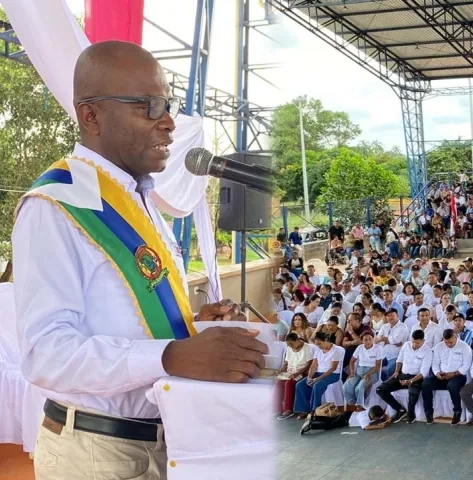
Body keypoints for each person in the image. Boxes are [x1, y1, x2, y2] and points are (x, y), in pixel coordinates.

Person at [13, 41, 269, 479]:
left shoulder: (142, 199)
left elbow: (124, 317)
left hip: (163, 441)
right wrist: (170, 355)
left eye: (167, 105)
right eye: (148, 107)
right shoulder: (54, 205)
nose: (168, 124)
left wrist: (191, 325)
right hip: (97, 453)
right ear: (91, 115)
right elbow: (46, 353)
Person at [375, 329, 432, 424]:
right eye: (413, 342)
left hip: (416, 377)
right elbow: (399, 359)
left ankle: (411, 413)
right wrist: (397, 371)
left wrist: (411, 381)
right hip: (403, 375)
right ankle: (400, 410)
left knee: (413, 393)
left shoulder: (428, 351)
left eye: (417, 343)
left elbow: (424, 372)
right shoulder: (406, 345)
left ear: (423, 341)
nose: (414, 345)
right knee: (380, 389)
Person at [422, 329, 472, 424]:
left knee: (452, 385)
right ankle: (428, 412)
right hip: (442, 376)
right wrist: (437, 373)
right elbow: (435, 363)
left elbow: (466, 365)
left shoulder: (465, 347)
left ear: (456, 337)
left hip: (458, 376)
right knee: (425, 384)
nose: (448, 344)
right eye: (446, 342)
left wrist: (454, 373)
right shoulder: (439, 347)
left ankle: (457, 412)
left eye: (450, 342)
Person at [294, 332, 342, 418]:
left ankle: (314, 411)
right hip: (318, 373)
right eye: (316, 344)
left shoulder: (336, 350)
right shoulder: (318, 350)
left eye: (320, 343)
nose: (318, 346)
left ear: (326, 340)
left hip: (332, 374)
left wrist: (317, 379)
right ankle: (304, 410)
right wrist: (309, 377)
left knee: (317, 385)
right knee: (300, 385)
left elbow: (332, 368)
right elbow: (313, 365)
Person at [275, 333, 314, 419]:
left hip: (302, 372)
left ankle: (288, 410)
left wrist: (297, 373)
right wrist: (280, 370)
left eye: (292, 344)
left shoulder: (307, 348)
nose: (290, 346)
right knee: (278, 383)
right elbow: (286, 362)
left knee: (289, 384)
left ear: (297, 340)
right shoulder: (289, 348)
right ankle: (278, 409)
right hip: (290, 372)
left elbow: (308, 364)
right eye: (289, 344)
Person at [342, 331, 383, 412]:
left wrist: (368, 374)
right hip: (359, 371)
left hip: (372, 372)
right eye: (365, 340)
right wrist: (352, 372)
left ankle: (360, 405)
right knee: (347, 385)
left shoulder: (378, 349)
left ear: (373, 339)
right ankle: (352, 403)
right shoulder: (360, 347)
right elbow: (352, 361)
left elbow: (378, 365)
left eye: (370, 339)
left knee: (360, 387)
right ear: (362, 341)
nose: (368, 341)